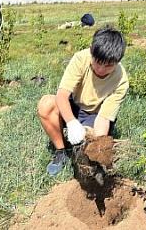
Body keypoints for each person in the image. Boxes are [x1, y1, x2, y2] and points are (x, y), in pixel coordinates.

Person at [37, 27, 129, 176]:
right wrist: (72, 123)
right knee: (46, 104)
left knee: (89, 147)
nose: (101, 69)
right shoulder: (81, 58)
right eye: (97, 62)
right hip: (75, 104)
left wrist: (97, 148)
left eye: (108, 66)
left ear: (118, 61)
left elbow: (104, 118)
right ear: (91, 50)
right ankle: (61, 151)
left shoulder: (121, 80)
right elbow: (62, 95)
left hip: (95, 114)